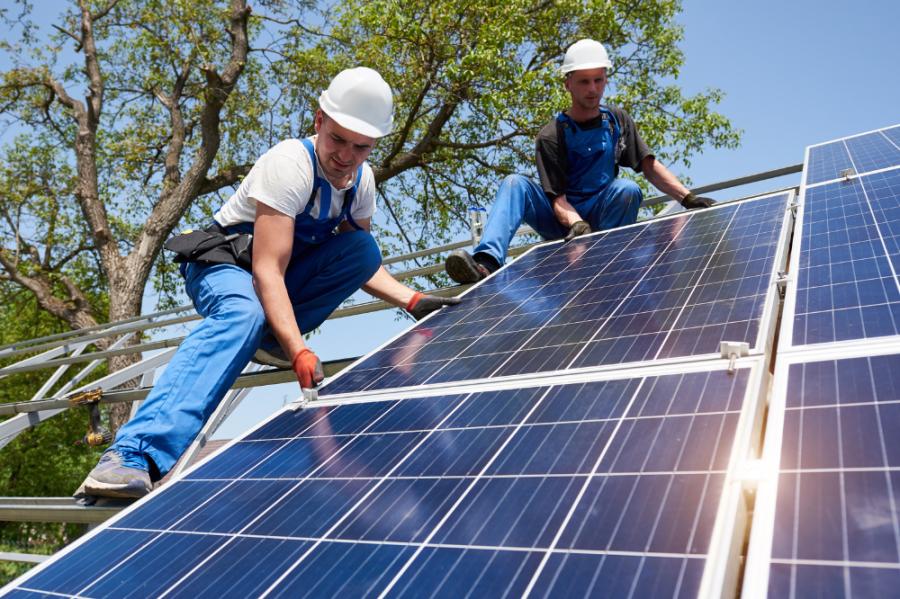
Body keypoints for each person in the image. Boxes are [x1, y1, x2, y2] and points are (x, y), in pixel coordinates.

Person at [79, 67, 459, 499]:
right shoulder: (289, 165)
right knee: (242, 314)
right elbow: (267, 270)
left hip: (275, 283)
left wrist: (412, 300)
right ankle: (132, 455)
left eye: (362, 146)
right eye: (338, 139)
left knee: (363, 248)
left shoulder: (361, 183)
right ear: (319, 121)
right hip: (227, 267)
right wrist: (298, 347)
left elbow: (359, 264)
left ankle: (270, 339)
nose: (346, 156)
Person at [445, 39, 715, 284]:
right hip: (562, 219)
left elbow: (647, 165)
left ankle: (607, 263)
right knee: (514, 183)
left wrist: (686, 197)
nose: (592, 89)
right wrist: (575, 222)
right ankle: (486, 263)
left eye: (598, 80)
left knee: (627, 190)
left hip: (602, 213)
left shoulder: (616, 121)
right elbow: (556, 199)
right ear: (568, 83)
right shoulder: (552, 135)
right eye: (584, 81)